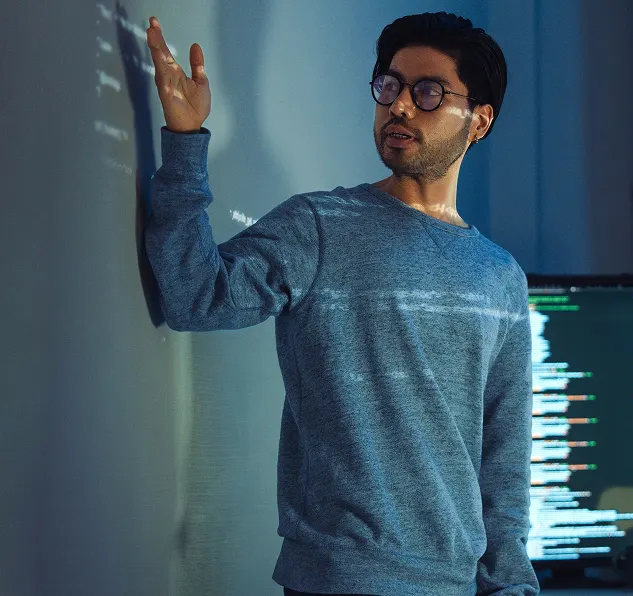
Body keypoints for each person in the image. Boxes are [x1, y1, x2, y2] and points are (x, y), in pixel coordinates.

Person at [144, 12, 537, 596]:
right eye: (390, 85)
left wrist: (511, 586)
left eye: (428, 92)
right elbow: (195, 298)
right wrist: (184, 142)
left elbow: (504, 465)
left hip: (453, 584)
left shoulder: (501, 278)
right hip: (338, 578)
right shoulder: (320, 225)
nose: (399, 105)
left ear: (478, 120)